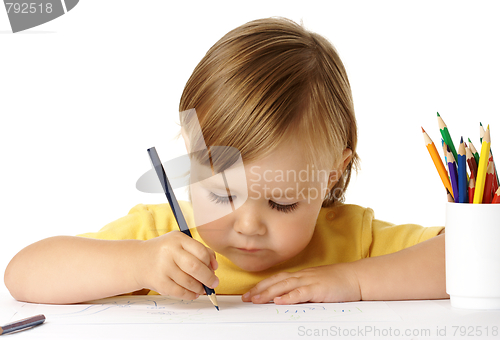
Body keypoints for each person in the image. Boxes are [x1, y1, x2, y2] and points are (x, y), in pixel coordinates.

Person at [4, 17, 447, 305]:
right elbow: (23, 274)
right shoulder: (162, 240)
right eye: (221, 194)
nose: (249, 225)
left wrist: (357, 283)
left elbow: (481, 256)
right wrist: (136, 264)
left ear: (331, 173)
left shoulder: (353, 242)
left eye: (283, 203)